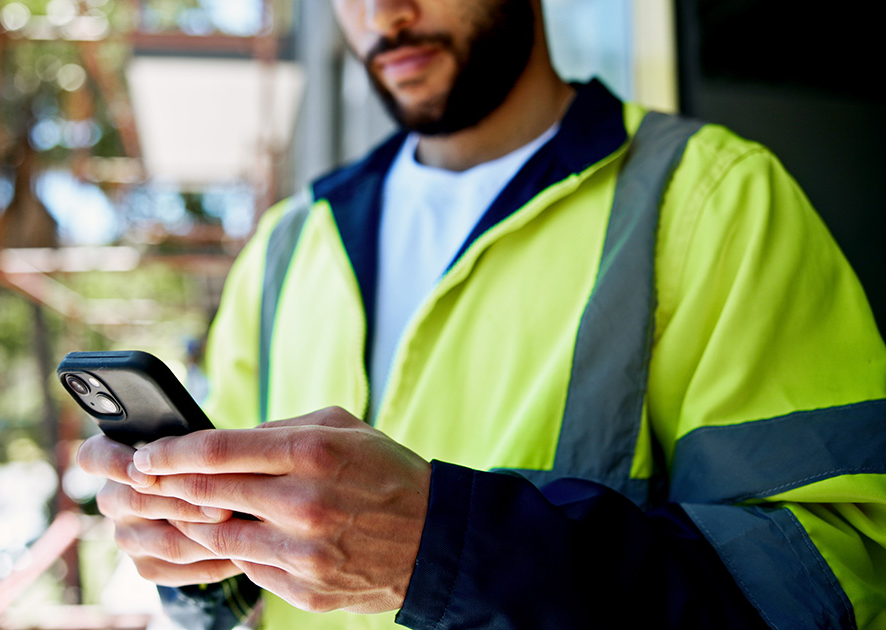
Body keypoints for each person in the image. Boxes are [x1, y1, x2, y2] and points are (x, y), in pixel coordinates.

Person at [78, 0, 886, 628]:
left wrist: (446, 551)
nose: (383, 16)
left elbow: (831, 581)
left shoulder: (715, 199)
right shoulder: (286, 248)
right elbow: (245, 585)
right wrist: (195, 558)